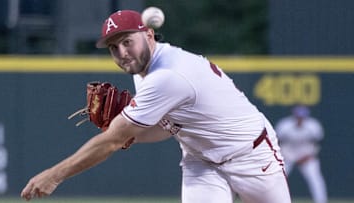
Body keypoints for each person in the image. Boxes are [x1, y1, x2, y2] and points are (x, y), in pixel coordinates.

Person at [21, 10, 291, 203]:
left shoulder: (167, 76)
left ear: (149, 35)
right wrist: (129, 134)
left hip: (251, 155)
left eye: (128, 42)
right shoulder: (143, 72)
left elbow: (112, 141)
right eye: (114, 48)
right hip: (201, 161)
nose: (122, 53)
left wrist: (54, 175)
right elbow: (168, 128)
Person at [275, 105, 327, 203]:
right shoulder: (284, 125)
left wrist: (310, 155)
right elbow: (276, 142)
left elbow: (318, 144)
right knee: (278, 179)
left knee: (315, 179)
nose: (300, 119)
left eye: (302, 117)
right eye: (298, 116)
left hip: (306, 156)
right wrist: (283, 155)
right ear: (294, 115)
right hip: (287, 156)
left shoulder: (313, 126)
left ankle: (321, 201)